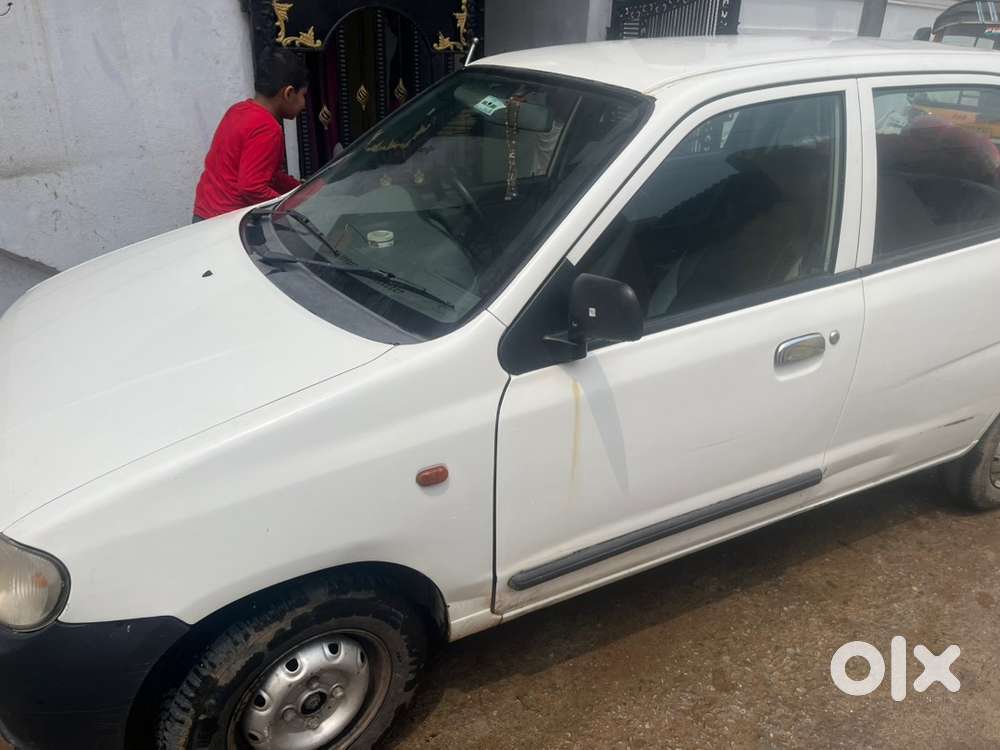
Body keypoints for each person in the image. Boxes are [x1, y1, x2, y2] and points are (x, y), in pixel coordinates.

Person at [192, 49, 308, 222]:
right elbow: (251, 187)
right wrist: (287, 208)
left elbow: (270, 175)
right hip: (227, 224)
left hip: (205, 213)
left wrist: (302, 190)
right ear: (288, 93)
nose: (304, 104)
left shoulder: (238, 110)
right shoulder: (268, 129)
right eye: (303, 96)